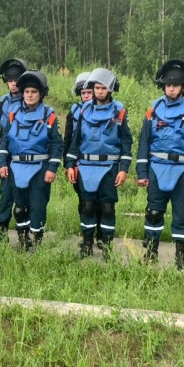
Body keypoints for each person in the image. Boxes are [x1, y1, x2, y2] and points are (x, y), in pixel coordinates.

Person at [136, 60, 184, 270]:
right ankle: (151, 253)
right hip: (156, 169)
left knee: (182, 216)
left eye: (175, 85)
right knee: (153, 213)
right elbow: (144, 142)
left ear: (183, 86)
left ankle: (181, 257)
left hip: (183, 171)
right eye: (168, 85)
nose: (171, 88)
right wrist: (142, 171)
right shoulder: (154, 109)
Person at [66, 68, 132, 259]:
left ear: (110, 89)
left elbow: (126, 141)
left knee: (107, 208)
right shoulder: (84, 110)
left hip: (109, 167)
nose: (99, 91)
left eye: (103, 88)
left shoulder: (119, 111)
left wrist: (124, 169)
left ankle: (107, 245)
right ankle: (87, 243)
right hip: (86, 166)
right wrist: (70, 164)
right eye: (96, 87)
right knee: (87, 206)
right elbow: (75, 140)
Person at [0, 70, 63, 251]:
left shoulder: (49, 115)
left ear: (41, 94)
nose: (30, 95)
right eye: (27, 92)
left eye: (34, 92)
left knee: (38, 206)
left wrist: (52, 168)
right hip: (16, 166)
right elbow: (5, 141)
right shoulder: (13, 115)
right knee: (19, 208)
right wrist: (2, 163)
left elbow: (57, 144)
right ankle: (23, 240)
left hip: (40, 167)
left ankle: (37, 242)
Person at [0, 58, 28, 245]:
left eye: (16, 79)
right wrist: (1, 159)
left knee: (23, 195)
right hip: (6, 153)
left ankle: (25, 233)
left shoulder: (29, 101)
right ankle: (2, 230)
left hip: (24, 154)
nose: (13, 83)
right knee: (5, 195)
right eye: (10, 80)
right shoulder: (3, 102)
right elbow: (1, 129)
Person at [63, 72, 93, 234]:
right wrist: (67, 163)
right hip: (78, 161)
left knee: (100, 200)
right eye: (84, 93)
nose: (87, 96)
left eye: (89, 92)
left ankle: (102, 232)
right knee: (83, 197)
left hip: (98, 161)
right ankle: (86, 230)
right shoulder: (74, 111)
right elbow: (67, 139)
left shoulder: (105, 110)